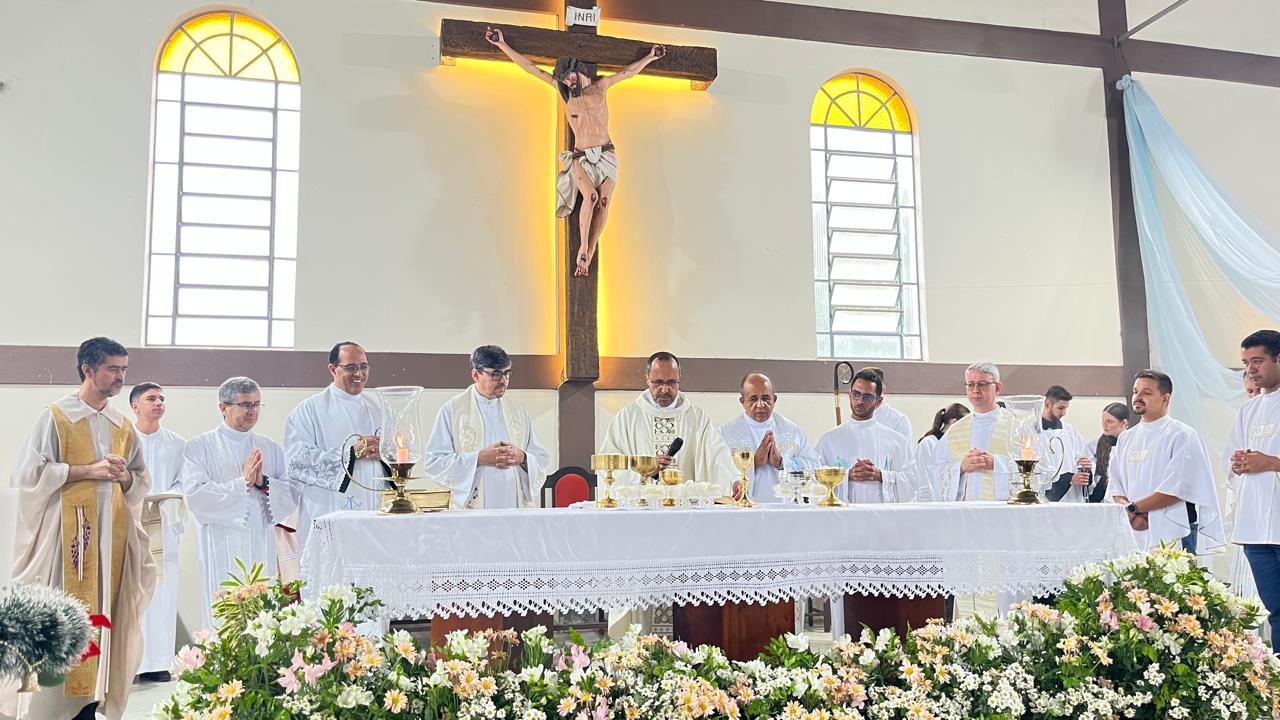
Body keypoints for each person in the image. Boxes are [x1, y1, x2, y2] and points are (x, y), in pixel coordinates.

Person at [8, 338, 154, 720]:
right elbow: (27, 477)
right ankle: (48, 705)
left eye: (124, 369)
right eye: (112, 369)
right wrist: (85, 471)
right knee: (64, 616)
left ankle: (91, 699)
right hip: (67, 544)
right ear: (88, 369)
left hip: (111, 546)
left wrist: (125, 478)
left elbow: (141, 479)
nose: (120, 377)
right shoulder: (56, 416)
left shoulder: (122, 423)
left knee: (104, 618)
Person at [485, 26, 666, 277]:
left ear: (578, 70)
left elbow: (628, 72)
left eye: (570, 77)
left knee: (603, 201)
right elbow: (531, 68)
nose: (569, 82)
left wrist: (650, 57)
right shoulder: (565, 95)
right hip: (581, 156)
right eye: (565, 80)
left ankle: (590, 250)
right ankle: (583, 245)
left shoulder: (601, 86)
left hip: (606, 153)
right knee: (590, 198)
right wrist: (501, 45)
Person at [182, 377, 297, 630]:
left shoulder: (271, 448)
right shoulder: (199, 447)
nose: (252, 411)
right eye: (245, 405)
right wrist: (242, 484)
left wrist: (262, 483)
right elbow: (195, 495)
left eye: (256, 405)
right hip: (221, 541)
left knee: (263, 608)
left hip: (260, 540)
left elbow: (290, 495)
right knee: (223, 609)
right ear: (223, 408)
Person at [1106, 370, 1224, 555]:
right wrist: (1128, 511)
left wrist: (1134, 508)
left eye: (1146, 392)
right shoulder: (1126, 438)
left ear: (1165, 399)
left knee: (1176, 583)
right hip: (1133, 528)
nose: (1138, 397)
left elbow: (1177, 489)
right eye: (1136, 391)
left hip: (1174, 527)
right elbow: (1115, 486)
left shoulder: (1182, 435)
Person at [284, 342, 386, 551]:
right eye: (350, 367)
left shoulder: (377, 409)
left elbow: (394, 454)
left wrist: (385, 454)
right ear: (333, 369)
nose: (359, 373)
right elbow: (296, 461)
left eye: (364, 367)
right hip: (326, 509)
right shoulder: (309, 410)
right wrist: (351, 453)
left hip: (372, 512)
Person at [424, 346, 551, 508]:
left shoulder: (517, 412)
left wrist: (523, 458)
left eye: (507, 373)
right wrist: (478, 459)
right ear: (476, 374)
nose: (504, 380)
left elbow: (541, 457)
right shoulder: (453, 411)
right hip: (473, 511)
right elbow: (434, 462)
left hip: (512, 505)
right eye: (496, 374)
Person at [600, 352, 736, 494]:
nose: (664, 389)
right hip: (642, 506)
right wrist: (647, 470)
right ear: (647, 379)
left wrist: (734, 479)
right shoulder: (627, 418)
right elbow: (609, 466)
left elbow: (718, 454)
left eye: (671, 382)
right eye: (658, 382)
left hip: (685, 507)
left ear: (679, 379)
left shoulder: (697, 418)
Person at [1226, 330, 1280, 647]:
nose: (1251, 370)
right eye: (1246, 363)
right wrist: (1238, 463)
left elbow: (1267, 461)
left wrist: (1272, 463)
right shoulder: (1249, 409)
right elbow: (1233, 459)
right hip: (1256, 527)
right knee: (1276, 610)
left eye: (1257, 361)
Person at [129, 382, 186, 683]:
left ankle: (158, 661)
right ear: (135, 405)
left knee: (163, 592)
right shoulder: (123, 440)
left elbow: (183, 482)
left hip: (163, 523)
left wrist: (167, 499)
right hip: (132, 521)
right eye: (152, 398)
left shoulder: (177, 444)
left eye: (162, 398)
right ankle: (130, 662)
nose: (159, 403)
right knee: (131, 591)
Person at [817, 368, 918, 503]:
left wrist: (881, 475)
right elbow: (814, 480)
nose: (859, 401)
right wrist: (847, 475)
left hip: (883, 518)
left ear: (878, 401)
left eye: (867, 397)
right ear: (849, 395)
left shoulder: (897, 441)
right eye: (856, 394)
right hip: (843, 519)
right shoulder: (828, 440)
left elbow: (912, 482)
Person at [719, 373, 820, 503]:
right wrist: (752, 463)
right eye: (753, 399)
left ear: (774, 399)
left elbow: (815, 468)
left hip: (785, 510)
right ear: (742, 401)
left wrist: (782, 462)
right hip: (743, 512)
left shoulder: (792, 431)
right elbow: (720, 473)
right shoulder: (725, 433)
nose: (760, 405)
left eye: (766, 398)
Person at [927, 362, 1016, 502]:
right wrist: (960, 467)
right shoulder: (955, 431)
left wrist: (997, 463)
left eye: (982, 384)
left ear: (997, 388)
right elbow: (936, 470)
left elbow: (1037, 470)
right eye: (971, 384)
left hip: (1003, 512)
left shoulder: (1016, 426)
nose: (976, 390)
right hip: (965, 512)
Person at [1038, 385, 1094, 503]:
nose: (1064, 413)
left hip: (1073, 499)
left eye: (1066, 408)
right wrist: (1068, 479)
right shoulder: (1032, 432)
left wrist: (1086, 469)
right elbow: (1036, 471)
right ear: (1047, 404)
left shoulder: (1071, 432)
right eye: (1061, 408)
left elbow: (1084, 460)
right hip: (1044, 500)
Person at [915, 404, 969, 499]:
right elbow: (923, 477)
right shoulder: (928, 444)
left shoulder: (960, 446)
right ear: (954, 423)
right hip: (931, 503)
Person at [1082, 402, 1130, 504]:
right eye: (1103, 421)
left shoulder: (1134, 444)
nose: (1105, 425)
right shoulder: (1094, 445)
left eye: (1110, 421)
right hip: (1100, 499)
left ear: (1124, 423)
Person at [865, 367, 913, 444]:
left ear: (883, 389)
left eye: (868, 389)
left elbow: (905, 453)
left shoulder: (899, 421)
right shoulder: (857, 418)